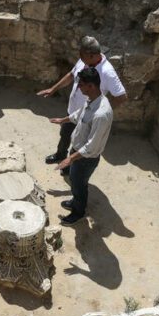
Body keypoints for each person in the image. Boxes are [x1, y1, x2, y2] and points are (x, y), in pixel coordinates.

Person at [37, 36, 127, 175]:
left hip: (87, 117)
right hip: (72, 111)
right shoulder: (85, 60)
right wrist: (53, 89)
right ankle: (60, 155)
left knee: (79, 145)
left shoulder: (107, 72)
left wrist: (100, 110)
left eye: (82, 55)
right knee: (65, 134)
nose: (79, 57)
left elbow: (121, 96)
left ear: (92, 55)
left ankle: (69, 167)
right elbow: (72, 75)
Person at [49, 67, 113, 225]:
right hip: (77, 152)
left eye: (81, 85)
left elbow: (91, 146)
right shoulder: (92, 100)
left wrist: (69, 159)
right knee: (74, 180)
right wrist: (62, 120)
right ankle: (75, 202)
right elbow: (79, 115)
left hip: (85, 159)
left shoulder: (101, 114)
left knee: (79, 184)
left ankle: (78, 212)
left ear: (91, 86)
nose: (78, 88)